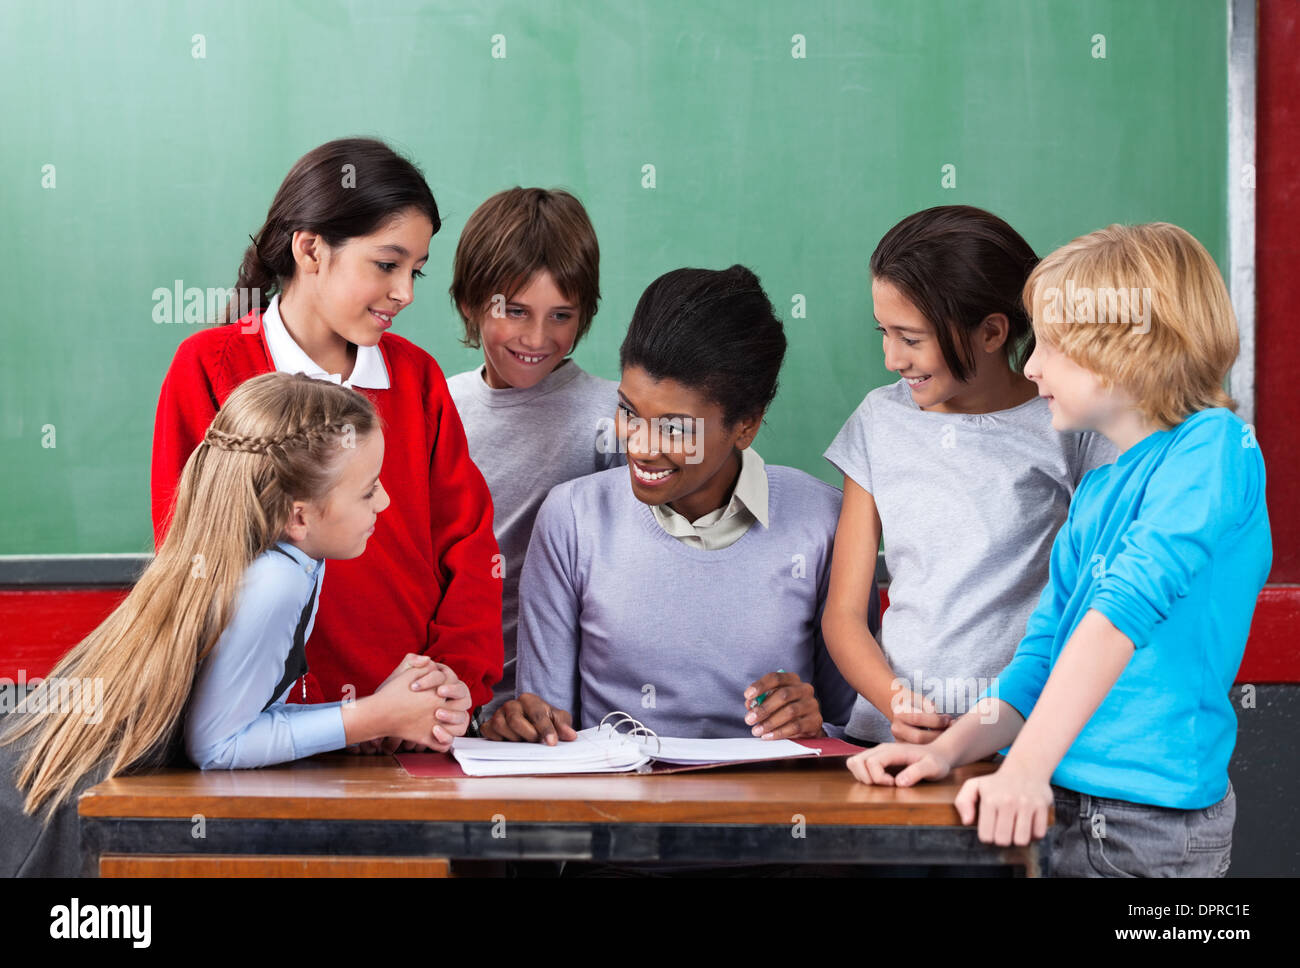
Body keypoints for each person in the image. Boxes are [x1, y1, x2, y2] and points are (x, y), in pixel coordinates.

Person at [846, 222, 1271, 877]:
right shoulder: (1098, 490)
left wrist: (1025, 768)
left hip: (1150, 823)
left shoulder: (1214, 448)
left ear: (1123, 351)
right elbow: (1039, 659)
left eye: (1051, 344)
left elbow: (1118, 616)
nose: (1032, 363)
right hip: (1063, 809)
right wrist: (949, 751)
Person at [1, 373, 472, 877]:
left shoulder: (293, 558)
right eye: (368, 491)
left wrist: (374, 714)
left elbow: (239, 717)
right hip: (56, 816)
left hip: (68, 795)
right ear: (299, 517)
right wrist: (375, 716)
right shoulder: (274, 581)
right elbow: (217, 746)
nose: (384, 503)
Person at [150, 138, 502, 745]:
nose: (406, 293)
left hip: (410, 725)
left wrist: (447, 686)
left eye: (415, 271)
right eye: (387, 265)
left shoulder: (415, 377)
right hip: (259, 727)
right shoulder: (210, 366)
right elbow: (188, 549)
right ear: (311, 248)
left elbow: (469, 548)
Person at [484, 265, 865, 744]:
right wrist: (524, 726)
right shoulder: (572, 520)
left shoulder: (824, 520)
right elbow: (550, 727)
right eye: (628, 412)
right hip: (616, 808)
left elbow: (852, 728)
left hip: (775, 808)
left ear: (746, 424)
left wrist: (814, 724)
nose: (641, 447)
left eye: (675, 427)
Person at [821, 206, 1115, 746]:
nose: (891, 358)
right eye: (882, 333)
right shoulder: (878, 421)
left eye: (910, 339)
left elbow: (1094, 600)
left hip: (1019, 743)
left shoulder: (1068, 424)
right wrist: (897, 704)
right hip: (886, 739)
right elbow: (843, 616)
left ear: (991, 333)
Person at [445, 188, 623, 718]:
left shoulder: (617, 415)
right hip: (450, 709)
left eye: (561, 316)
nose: (537, 337)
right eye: (515, 312)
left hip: (568, 715)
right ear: (469, 304)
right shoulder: (437, 409)